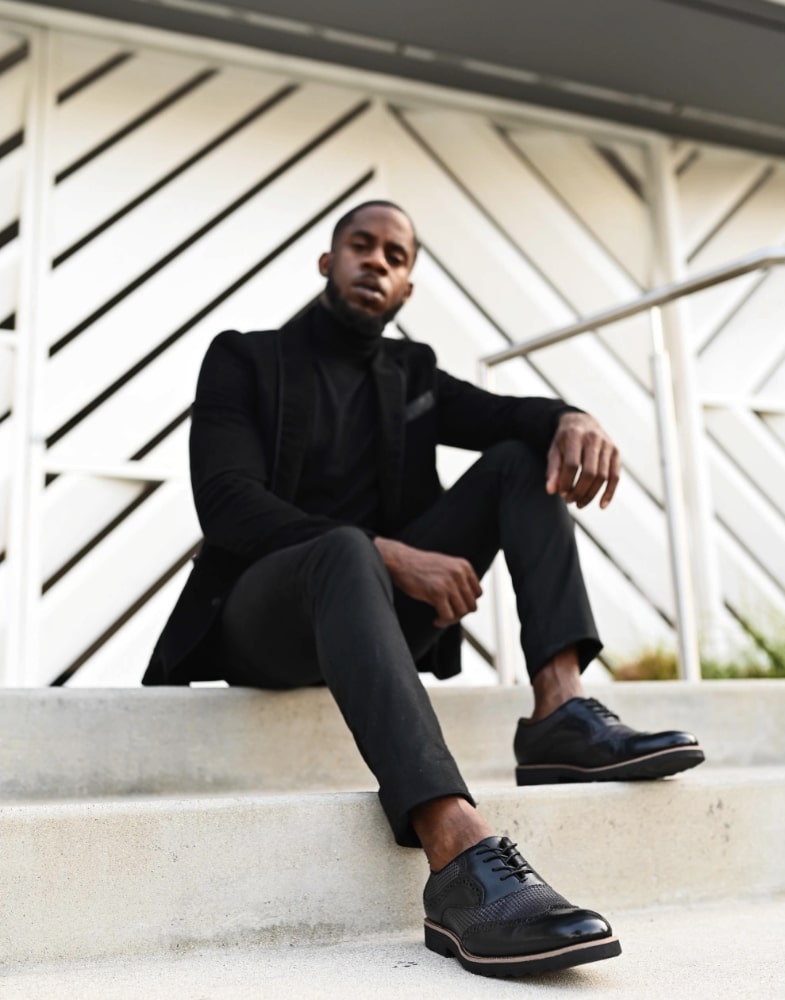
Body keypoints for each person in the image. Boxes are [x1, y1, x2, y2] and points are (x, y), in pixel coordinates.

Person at [143, 200, 705, 978]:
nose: (376, 261)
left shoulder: (409, 373)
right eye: (360, 246)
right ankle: (458, 854)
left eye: (395, 255)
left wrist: (570, 416)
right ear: (327, 261)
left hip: (375, 618)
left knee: (519, 455)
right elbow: (229, 504)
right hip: (264, 617)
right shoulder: (244, 357)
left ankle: (559, 711)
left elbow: (505, 413)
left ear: (406, 286)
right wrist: (389, 555)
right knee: (343, 548)